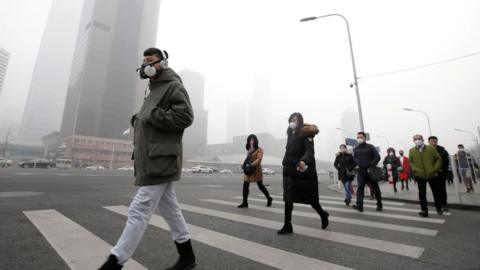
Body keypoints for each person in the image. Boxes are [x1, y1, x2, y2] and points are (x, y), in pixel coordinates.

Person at [99, 48, 196, 270]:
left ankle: (114, 262)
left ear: (162, 63)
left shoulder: (173, 86)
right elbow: (151, 116)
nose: (145, 65)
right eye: (144, 61)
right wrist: (138, 119)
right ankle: (187, 257)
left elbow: (185, 116)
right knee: (171, 210)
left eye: (150, 61)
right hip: (153, 156)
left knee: (139, 209)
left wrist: (150, 115)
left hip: (160, 159)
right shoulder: (152, 88)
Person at [278, 112, 329, 234]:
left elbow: (309, 151)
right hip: (289, 169)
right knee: (288, 198)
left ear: (300, 121)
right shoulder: (290, 133)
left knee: (311, 199)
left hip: (302, 170)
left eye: (296, 120)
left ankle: (323, 214)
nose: (293, 122)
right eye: (291, 119)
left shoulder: (307, 133)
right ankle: (287, 225)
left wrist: (303, 161)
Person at [409, 134, 443, 217]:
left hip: (432, 174)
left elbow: (438, 159)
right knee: (422, 193)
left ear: (423, 139)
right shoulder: (412, 150)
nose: (417, 140)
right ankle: (424, 210)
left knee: (436, 192)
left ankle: (439, 208)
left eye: (419, 139)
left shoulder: (430, 148)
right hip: (420, 175)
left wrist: (434, 169)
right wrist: (415, 169)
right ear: (413, 141)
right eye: (415, 139)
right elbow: (411, 162)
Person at [237, 134, 273, 208]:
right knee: (245, 185)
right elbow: (247, 159)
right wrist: (244, 165)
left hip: (256, 170)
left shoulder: (260, 149)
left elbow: (259, 159)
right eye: (250, 140)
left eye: (252, 140)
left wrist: (251, 165)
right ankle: (245, 202)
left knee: (260, 186)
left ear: (256, 141)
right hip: (248, 171)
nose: (251, 142)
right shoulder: (249, 150)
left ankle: (269, 198)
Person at [352, 132, 383, 212]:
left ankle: (379, 204)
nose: (359, 138)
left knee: (375, 188)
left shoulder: (370, 147)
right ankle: (359, 205)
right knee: (360, 188)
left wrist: (371, 165)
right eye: (358, 137)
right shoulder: (356, 148)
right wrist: (357, 163)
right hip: (361, 171)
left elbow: (377, 157)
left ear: (365, 138)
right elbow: (354, 158)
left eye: (361, 137)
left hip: (370, 171)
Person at [428, 136, 451, 211]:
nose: (434, 143)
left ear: (437, 141)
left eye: (435, 141)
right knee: (435, 190)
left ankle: (444, 204)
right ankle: (438, 205)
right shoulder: (426, 150)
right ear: (429, 142)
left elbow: (446, 160)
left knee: (442, 189)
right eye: (432, 141)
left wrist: (444, 170)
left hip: (441, 173)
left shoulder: (442, 149)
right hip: (432, 173)